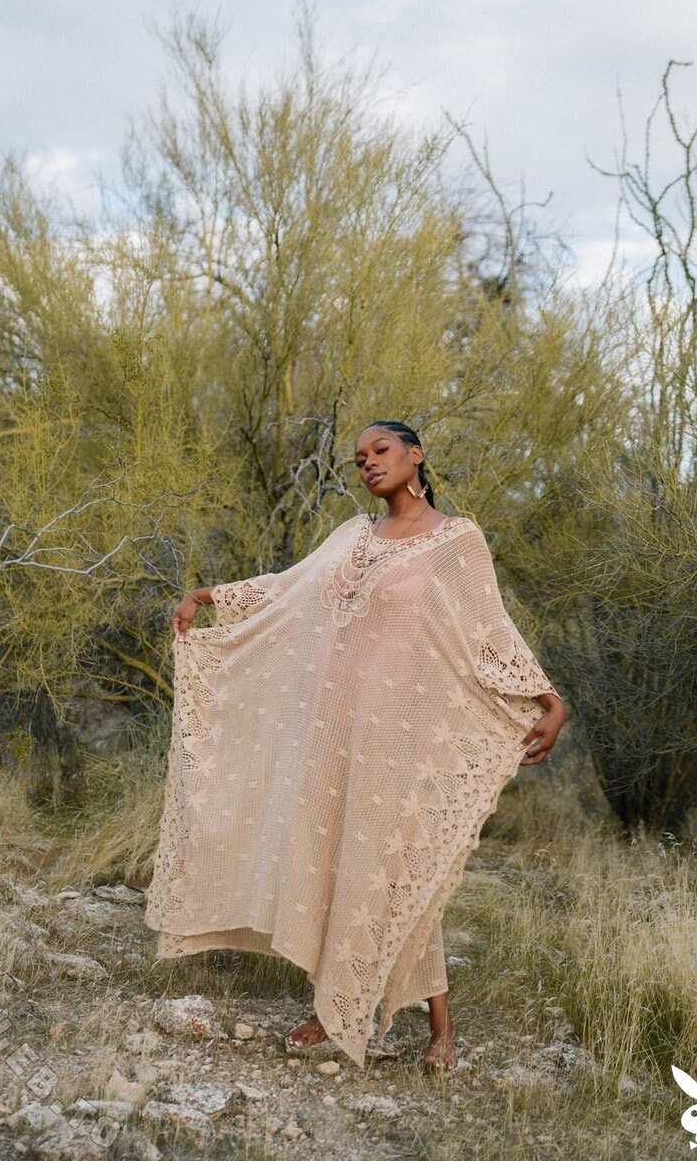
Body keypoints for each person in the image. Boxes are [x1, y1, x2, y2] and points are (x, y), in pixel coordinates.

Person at [144, 419, 566, 1072]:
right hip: (332, 735)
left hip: (400, 739)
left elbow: (490, 631)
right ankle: (332, 1006)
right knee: (334, 864)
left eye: (381, 450)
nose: (368, 462)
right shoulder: (350, 536)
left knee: (398, 869)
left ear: (415, 455)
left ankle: (440, 1030)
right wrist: (210, 597)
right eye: (359, 457)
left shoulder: (456, 541)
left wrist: (548, 699)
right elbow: (287, 590)